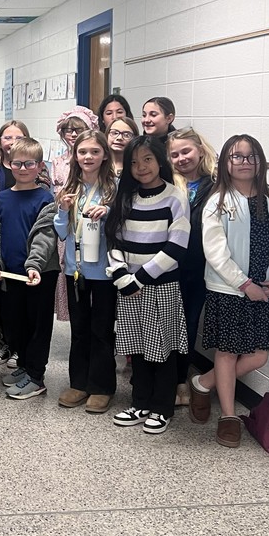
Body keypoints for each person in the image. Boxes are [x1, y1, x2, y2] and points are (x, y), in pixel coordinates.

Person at [189, 135, 269, 448]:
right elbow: (215, 252)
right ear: (225, 162)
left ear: (260, 161)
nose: (245, 162)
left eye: (251, 156)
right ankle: (229, 416)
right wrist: (244, 284)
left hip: (264, 289)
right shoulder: (218, 201)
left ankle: (203, 383)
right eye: (237, 156)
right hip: (229, 289)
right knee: (227, 352)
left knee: (259, 356)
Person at [105, 136, 190, 435]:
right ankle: (140, 402)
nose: (141, 167)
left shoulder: (175, 197)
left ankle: (162, 408)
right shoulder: (126, 197)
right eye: (134, 162)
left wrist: (141, 277)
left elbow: (177, 245)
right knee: (137, 347)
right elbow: (114, 239)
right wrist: (120, 275)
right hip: (129, 287)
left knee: (163, 349)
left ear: (160, 161)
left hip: (160, 285)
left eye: (147, 159)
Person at [0, 138, 59, 400]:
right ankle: (25, 366)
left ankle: (36, 377)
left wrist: (34, 264)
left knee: (38, 327)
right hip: (11, 275)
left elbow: (45, 236)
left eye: (29, 163)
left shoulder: (46, 198)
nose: (23, 168)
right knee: (17, 324)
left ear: (39, 166)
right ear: (9, 164)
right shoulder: (3, 198)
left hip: (39, 275)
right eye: (17, 163)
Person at [54, 130, 118, 413]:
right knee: (79, 329)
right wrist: (62, 210)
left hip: (104, 272)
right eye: (82, 152)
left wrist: (108, 212)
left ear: (104, 155)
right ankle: (79, 383)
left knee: (101, 330)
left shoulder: (114, 189)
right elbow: (61, 232)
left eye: (94, 151)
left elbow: (123, 226)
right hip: (75, 270)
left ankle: (102, 387)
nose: (88, 157)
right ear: (75, 155)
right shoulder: (71, 188)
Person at [167, 128, 219, 405]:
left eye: (186, 151)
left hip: (199, 268)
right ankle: (163, 379)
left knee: (188, 324)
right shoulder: (168, 184)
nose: (181, 158)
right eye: (174, 154)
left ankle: (180, 379)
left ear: (200, 149)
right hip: (167, 266)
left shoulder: (217, 184)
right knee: (166, 323)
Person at [51, 107, 100, 327]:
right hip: (68, 226)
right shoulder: (57, 162)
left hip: (94, 232)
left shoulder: (98, 168)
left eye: (78, 129)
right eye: (67, 130)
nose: (72, 134)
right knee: (70, 279)